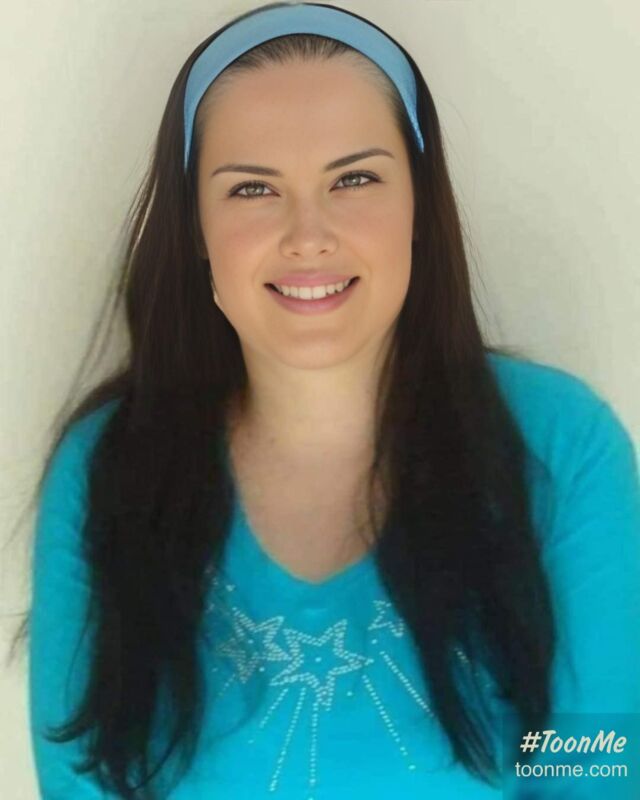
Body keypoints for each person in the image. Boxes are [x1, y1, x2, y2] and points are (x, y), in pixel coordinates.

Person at [18, 2, 640, 798]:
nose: (307, 235)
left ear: (420, 203)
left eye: (354, 179)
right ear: (195, 227)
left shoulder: (561, 447)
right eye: (252, 189)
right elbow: (80, 780)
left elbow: (596, 772)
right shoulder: (107, 467)